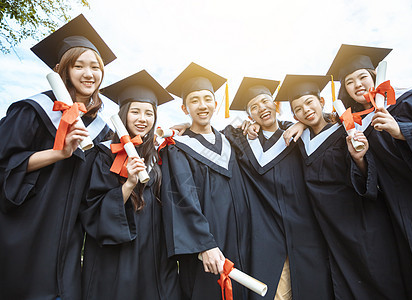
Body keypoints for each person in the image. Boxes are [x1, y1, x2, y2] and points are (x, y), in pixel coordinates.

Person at [0, 14, 115, 299]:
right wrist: (58, 153)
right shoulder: (32, 111)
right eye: (79, 66)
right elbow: (4, 164)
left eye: (96, 67)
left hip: (69, 238)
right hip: (27, 225)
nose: (89, 74)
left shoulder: (101, 131)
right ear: (61, 69)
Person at [327, 44, 412, 299]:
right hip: (400, 214)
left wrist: (401, 130)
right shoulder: (355, 126)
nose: (357, 84)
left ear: (374, 75)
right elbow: (371, 180)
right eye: (349, 82)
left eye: (362, 76)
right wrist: (359, 159)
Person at [277, 74, 412, 299]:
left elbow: (368, 176)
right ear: (294, 116)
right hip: (328, 226)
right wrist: (299, 123)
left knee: (377, 275)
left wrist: (359, 158)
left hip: (360, 219)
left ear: (322, 102)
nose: (306, 110)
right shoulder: (298, 141)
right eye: (298, 109)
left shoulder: (346, 130)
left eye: (310, 102)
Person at [223, 77, 333, 300]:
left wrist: (302, 124)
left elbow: (327, 122)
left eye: (265, 101)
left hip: (305, 226)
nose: (261, 108)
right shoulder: (243, 143)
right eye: (254, 107)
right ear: (249, 116)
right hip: (266, 229)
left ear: (276, 105)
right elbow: (210, 134)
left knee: (312, 285)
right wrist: (187, 126)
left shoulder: (300, 135)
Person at [80, 70, 182, 300]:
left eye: (148, 113)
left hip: (154, 251)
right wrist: (128, 185)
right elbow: (92, 207)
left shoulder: (159, 154)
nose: (142, 119)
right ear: (124, 114)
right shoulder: (106, 153)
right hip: (117, 250)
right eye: (135, 111)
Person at [159, 62, 250, 299]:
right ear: (184, 107)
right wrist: (205, 245)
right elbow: (181, 199)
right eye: (194, 100)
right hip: (207, 248)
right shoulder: (178, 148)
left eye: (208, 98)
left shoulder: (231, 142)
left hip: (241, 240)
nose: (202, 105)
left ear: (216, 103)